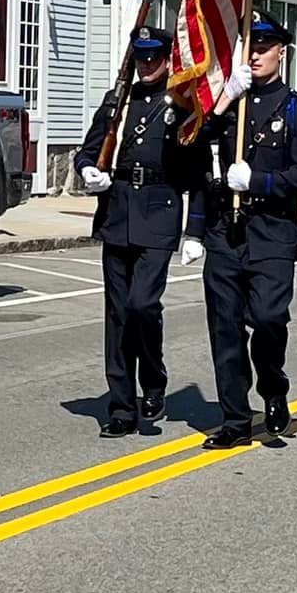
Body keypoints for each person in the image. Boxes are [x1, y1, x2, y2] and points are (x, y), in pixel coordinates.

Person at [184, 14, 297, 450]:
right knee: (224, 328)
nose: (258, 54)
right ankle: (234, 419)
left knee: (267, 320)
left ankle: (273, 383)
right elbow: (191, 146)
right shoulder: (231, 107)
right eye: (252, 48)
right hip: (226, 232)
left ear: (283, 51)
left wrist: (261, 183)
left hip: (272, 231)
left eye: (266, 47)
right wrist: (226, 98)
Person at [74, 27, 204, 438]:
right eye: (141, 56)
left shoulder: (180, 102)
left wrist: (195, 230)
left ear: (168, 58)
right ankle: (121, 407)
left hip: (160, 208)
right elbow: (87, 150)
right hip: (117, 212)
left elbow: (195, 163)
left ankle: (153, 378)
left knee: (142, 305)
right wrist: (88, 171)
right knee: (117, 314)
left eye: (154, 56)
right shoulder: (118, 101)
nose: (147, 63)